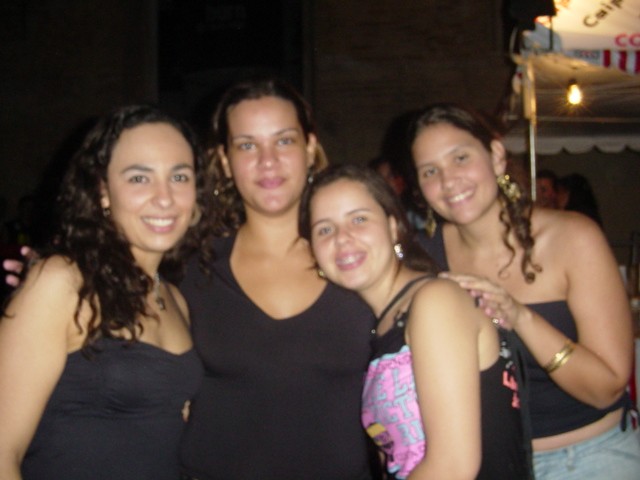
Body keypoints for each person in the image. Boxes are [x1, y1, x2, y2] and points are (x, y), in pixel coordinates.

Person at [409, 103, 640, 480]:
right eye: (430, 171)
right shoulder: (423, 257)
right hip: (486, 464)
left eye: (460, 158)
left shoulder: (573, 237)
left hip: (586, 458)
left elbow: (607, 388)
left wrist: (520, 316)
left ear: (496, 156)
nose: (448, 181)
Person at [177, 77, 377, 479]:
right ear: (224, 161)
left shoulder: (362, 261)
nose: (267, 161)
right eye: (247, 145)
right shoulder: (191, 270)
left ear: (310, 148)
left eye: (284, 141)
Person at [0, 104, 210, 480]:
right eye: (139, 178)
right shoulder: (62, 282)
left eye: (179, 176)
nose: (165, 197)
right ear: (103, 191)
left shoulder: (174, 298)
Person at [298, 164, 529, 480]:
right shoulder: (380, 326)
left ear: (393, 227)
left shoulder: (435, 301)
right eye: (324, 229)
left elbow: (453, 467)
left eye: (359, 219)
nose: (342, 238)